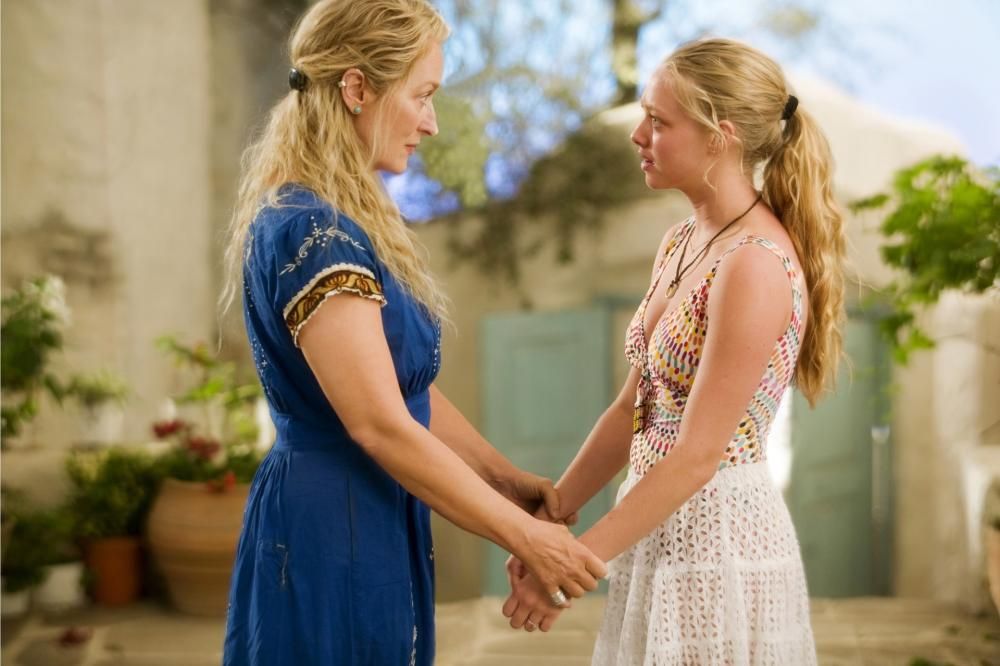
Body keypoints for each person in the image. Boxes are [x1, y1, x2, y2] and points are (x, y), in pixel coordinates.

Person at [219, 1, 606, 664]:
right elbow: (378, 424)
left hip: (362, 510)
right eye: (422, 95)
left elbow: (401, 394)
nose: (431, 122)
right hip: (332, 524)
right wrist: (526, 538)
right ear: (357, 88)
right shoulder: (317, 234)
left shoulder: (332, 217)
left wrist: (501, 477)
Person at [502, 37, 846, 665]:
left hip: (719, 542)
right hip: (656, 530)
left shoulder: (753, 264)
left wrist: (570, 569)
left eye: (658, 121)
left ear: (721, 137)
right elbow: (631, 410)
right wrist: (549, 523)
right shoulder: (682, 241)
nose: (639, 135)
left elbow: (696, 456)